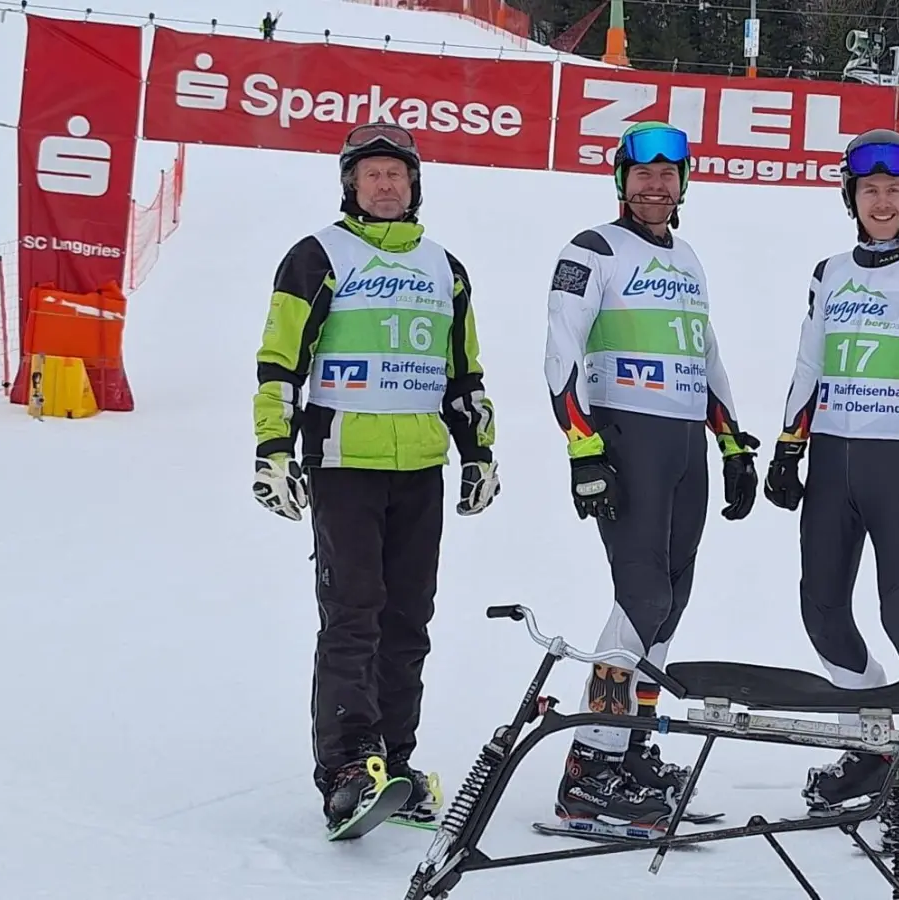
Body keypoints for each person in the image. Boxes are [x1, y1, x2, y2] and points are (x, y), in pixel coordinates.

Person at [251, 122, 501, 836]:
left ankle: (394, 760)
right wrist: (272, 449)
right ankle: (346, 767)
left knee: (408, 623)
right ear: (351, 186)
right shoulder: (317, 257)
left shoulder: (444, 268)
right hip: (344, 463)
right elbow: (279, 363)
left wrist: (478, 451)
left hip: (420, 465)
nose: (386, 185)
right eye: (372, 175)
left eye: (397, 174)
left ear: (414, 185)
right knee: (354, 617)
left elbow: (464, 374)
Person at [762, 128, 899, 841]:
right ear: (851, 198)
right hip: (830, 462)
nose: (882, 201)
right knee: (823, 614)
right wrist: (787, 446)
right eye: (869, 190)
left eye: (894, 189)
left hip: (897, 467)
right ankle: (873, 748)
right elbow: (808, 364)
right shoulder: (828, 271)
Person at [542, 120, 761, 833]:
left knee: (670, 600)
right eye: (642, 174)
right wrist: (583, 448)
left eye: (668, 174)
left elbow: (705, 354)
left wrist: (732, 445)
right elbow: (561, 350)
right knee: (640, 596)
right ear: (620, 181)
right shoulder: (593, 248)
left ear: (684, 183)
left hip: (682, 446)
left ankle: (632, 747)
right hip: (626, 437)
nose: (655, 185)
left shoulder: (689, 257)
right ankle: (590, 767)